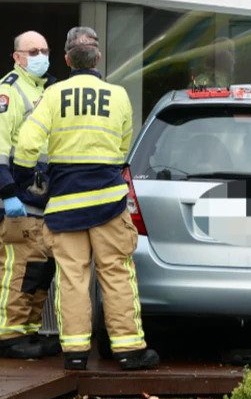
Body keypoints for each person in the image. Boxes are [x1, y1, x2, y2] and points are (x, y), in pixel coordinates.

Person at [13, 33, 159, 371]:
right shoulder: (119, 96)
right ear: (98, 59)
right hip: (108, 202)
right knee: (116, 274)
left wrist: (25, 183)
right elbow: (122, 149)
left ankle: (76, 354)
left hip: (65, 205)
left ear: (66, 60)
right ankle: (128, 350)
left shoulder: (52, 95)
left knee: (72, 278)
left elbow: (26, 145)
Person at [0, 30, 59, 359]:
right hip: (17, 200)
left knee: (39, 270)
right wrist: (9, 193)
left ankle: (27, 331)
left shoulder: (49, 90)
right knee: (17, 267)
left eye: (44, 49)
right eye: (32, 51)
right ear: (17, 56)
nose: (40, 55)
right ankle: (7, 334)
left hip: (43, 200)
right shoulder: (8, 92)